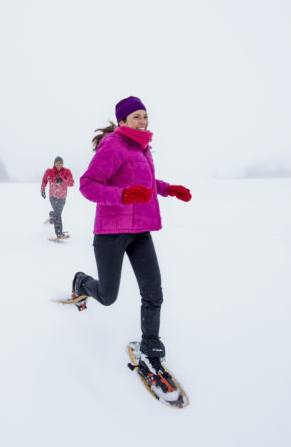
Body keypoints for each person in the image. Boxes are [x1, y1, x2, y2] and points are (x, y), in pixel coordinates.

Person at [71, 95, 192, 394]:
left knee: (154, 293)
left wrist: (167, 189)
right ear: (122, 121)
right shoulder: (112, 145)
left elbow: (145, 184)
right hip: (111, 232)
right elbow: (88, 185)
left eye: (146, 115)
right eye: (137, 116)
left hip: (141, 231)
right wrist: (123, 196)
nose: (143, 120)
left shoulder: (143, 148)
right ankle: (81, 282)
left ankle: (151, 353)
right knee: (109, 296)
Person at [41, 156, 75, 239]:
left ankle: (52, 216)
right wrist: (42, 190)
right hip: (53, 197)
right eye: (57, 162)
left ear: (62, 164)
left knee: (57, 213)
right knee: (58, 214)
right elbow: (44, 181)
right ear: (54, 163)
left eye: (60, 163)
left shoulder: (67, 171)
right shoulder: (49, 171)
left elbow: (72, 183)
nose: (58, 164)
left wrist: (62, 180)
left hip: (62, 197)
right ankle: (59, 233)